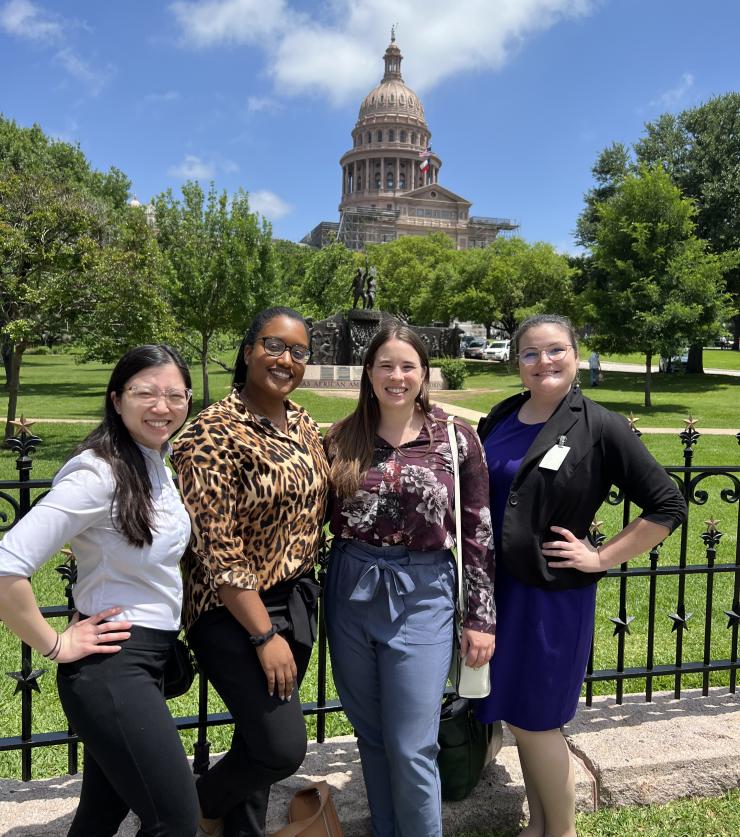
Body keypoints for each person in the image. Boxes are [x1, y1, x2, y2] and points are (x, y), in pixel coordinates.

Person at [475, 314, 686, 837]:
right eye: (530, 353)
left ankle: (561, 832)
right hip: (496, 591)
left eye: (555, 350)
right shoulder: (500, 418)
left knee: (538, 719)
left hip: (550, 597)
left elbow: (667, 505)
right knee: (519, 716)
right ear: (516, 361)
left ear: (575, 354)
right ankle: (539, 826)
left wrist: (601, 557)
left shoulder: (600, 425)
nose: (542, 361)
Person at [0, 344, 198, 837]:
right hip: (112, 671)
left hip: (145, 661)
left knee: (98, 818)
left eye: (175, 394)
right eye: (146, 392)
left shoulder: (156, 461)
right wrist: (54, 643)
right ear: (116, 399)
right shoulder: (99, 473)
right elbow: (6, 565)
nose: (162, 406)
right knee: (175, 821)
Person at [323, 321, 495, 837]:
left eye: (408, 366)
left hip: (424, 590)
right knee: (372, 736)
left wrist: (481, 617)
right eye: (385, 365)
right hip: (351, 584)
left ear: (424, 374)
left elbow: (478, 530)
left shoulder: (454, 439)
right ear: (368, 372)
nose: (396, 376)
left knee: (413, 742)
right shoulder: (340, 437)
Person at [171, 307, 329, 837]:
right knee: (278, 746)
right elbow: (217, 549)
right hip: (232, 610)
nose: (286, 360)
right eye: (274, 345)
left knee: (252, 741)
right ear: (247, 351)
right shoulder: (210, 434)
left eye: (299, 352)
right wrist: (264, 634)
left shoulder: (303, 423)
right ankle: (196, 804)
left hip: (297, 599)